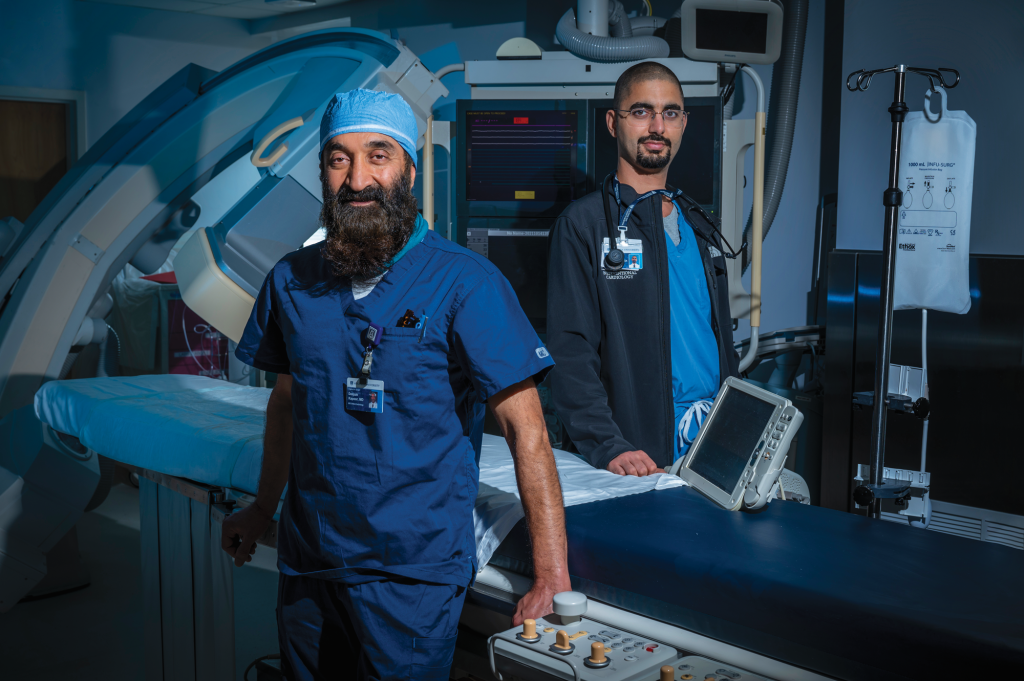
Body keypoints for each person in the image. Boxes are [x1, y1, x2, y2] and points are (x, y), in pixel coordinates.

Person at [221, 89, 570, 680]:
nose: (358, 179)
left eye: (378, 155)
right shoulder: (291, 282)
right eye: (339, 158)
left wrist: (551, 575)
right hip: (309, 561)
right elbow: (285, 406)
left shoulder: (464, 284)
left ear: (409, 168)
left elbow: (526, 431)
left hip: (410, 572)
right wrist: (261, 507)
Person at [547, 62, 739, 477]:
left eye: (670, 113)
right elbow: (569, 351)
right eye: (641, 111)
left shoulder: (700, 225)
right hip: (636, 455)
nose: (657, 125)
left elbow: (720, 343)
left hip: (710, 445)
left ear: (684, 123)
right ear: (614, 123)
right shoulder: (585, 225)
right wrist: (606, 444)